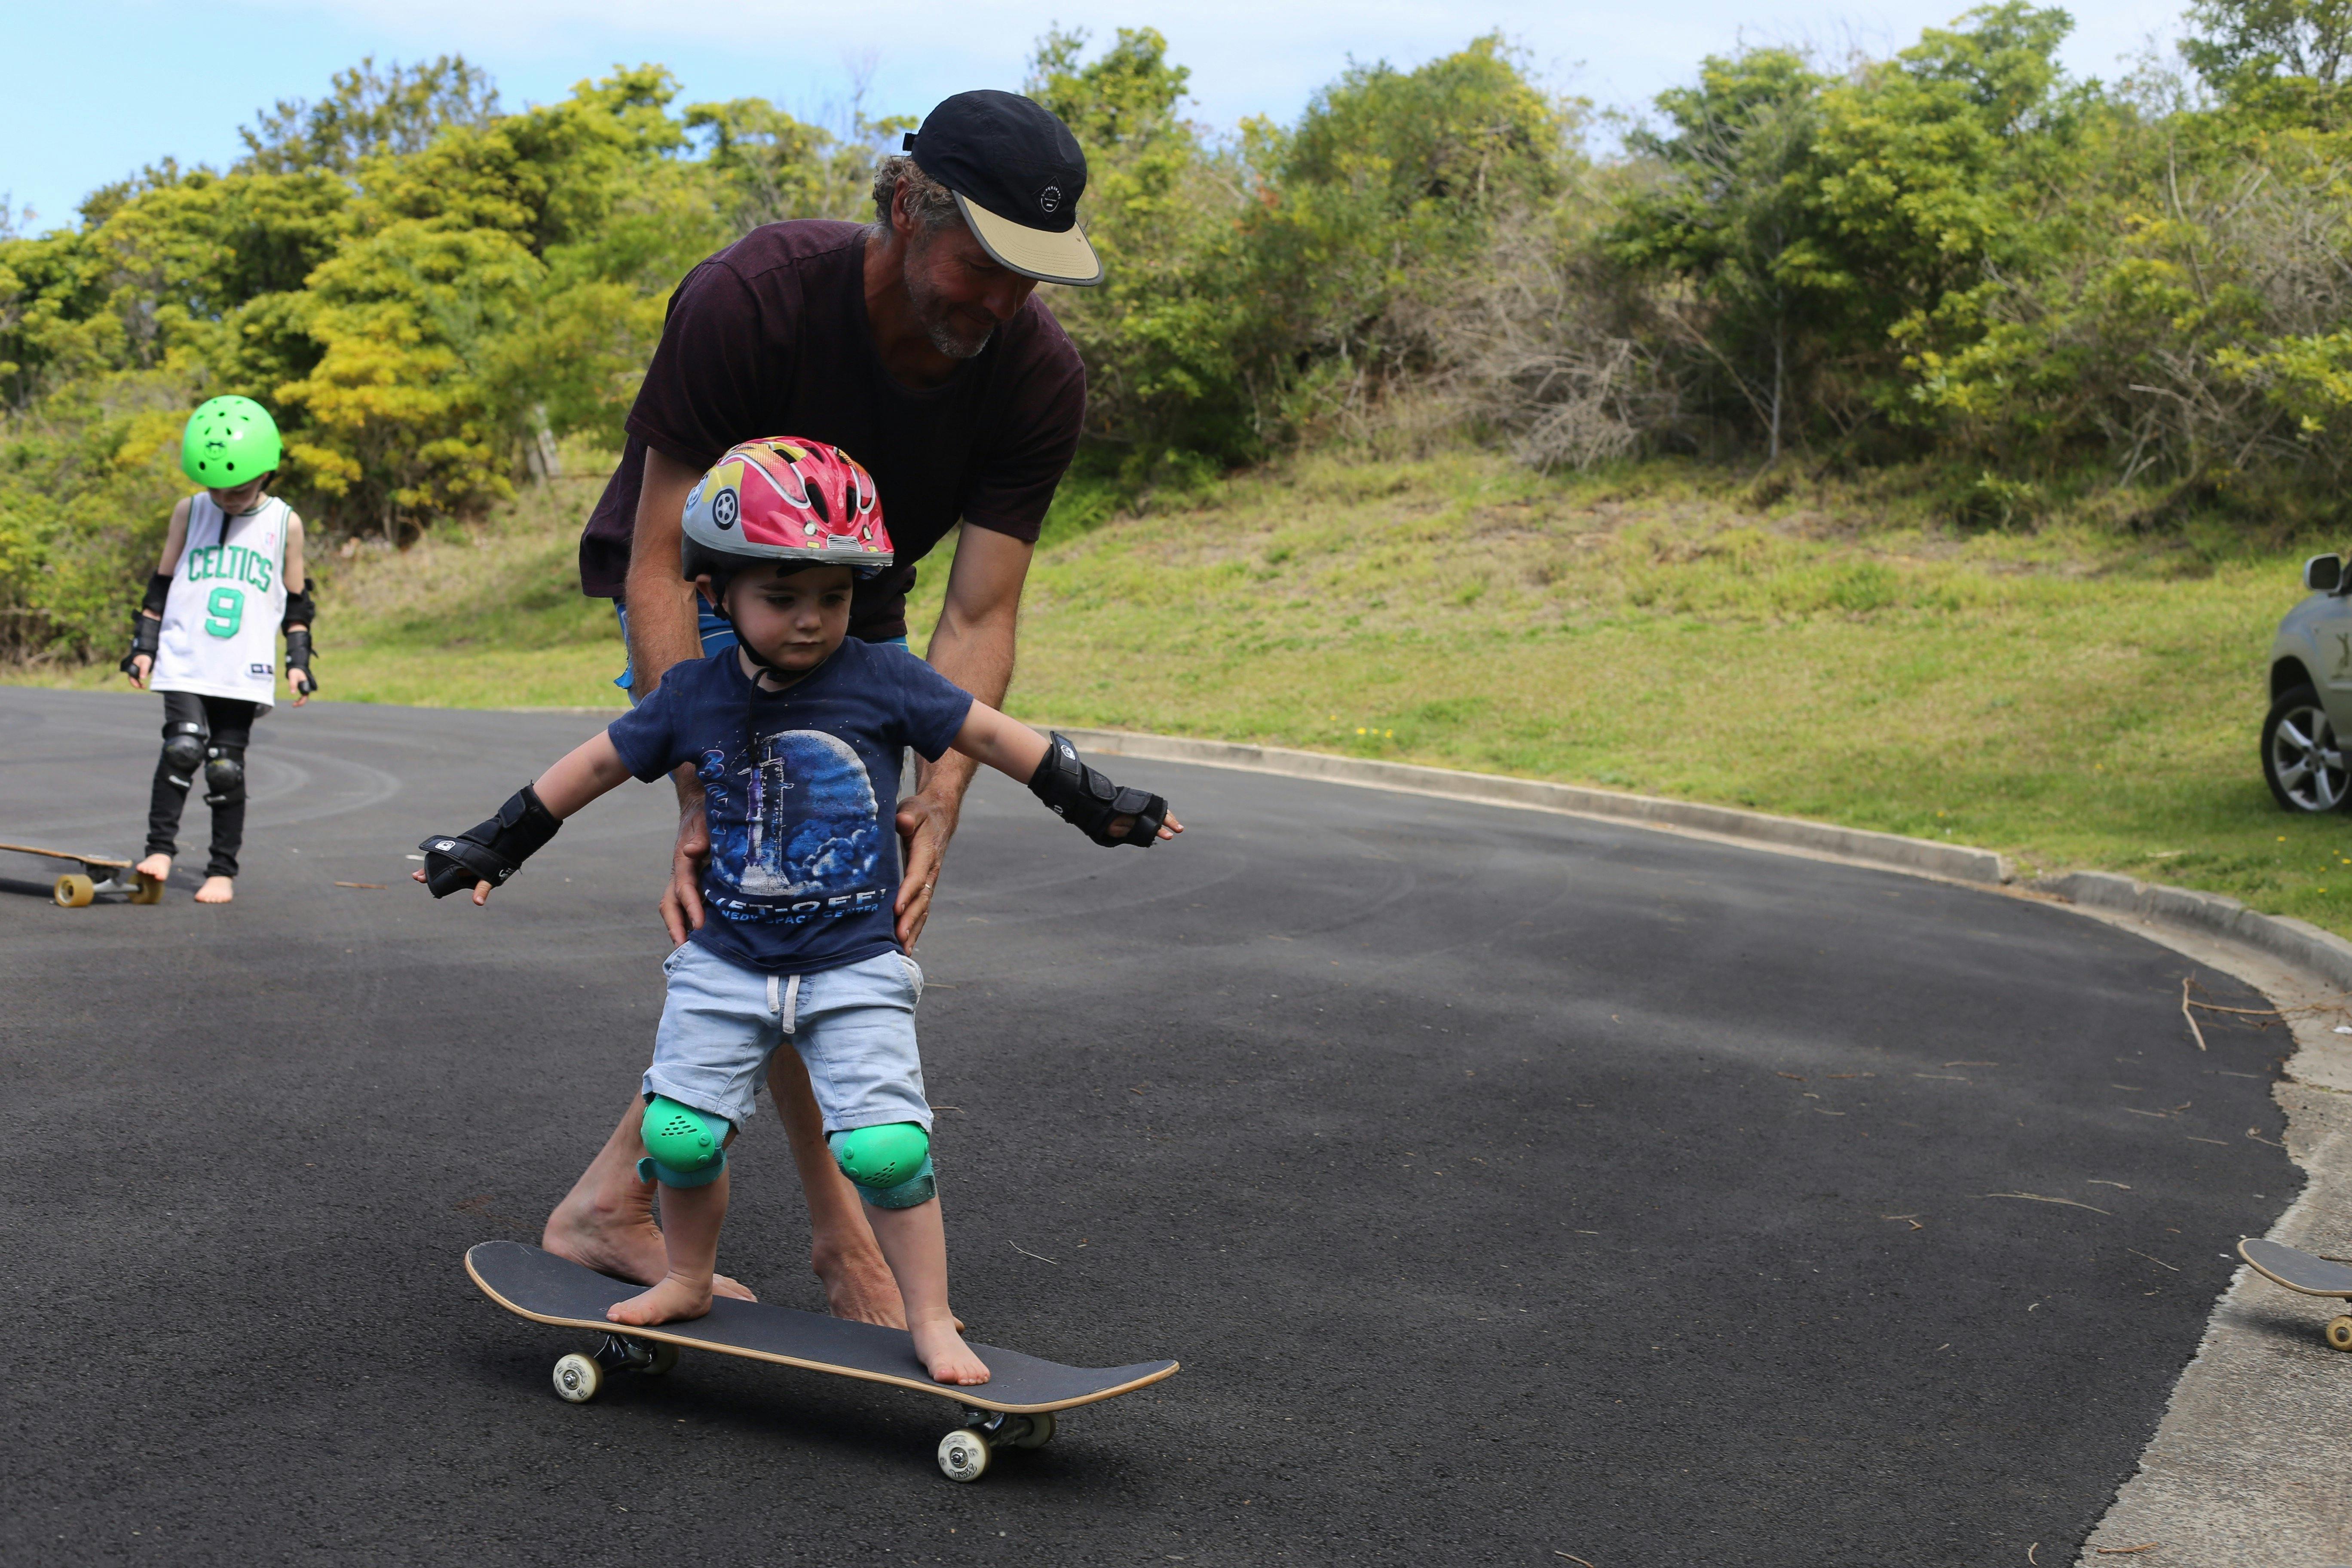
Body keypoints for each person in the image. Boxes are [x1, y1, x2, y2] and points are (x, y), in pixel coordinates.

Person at [420, 438, 1176, 1381]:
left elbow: (989, 732)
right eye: (782, 598)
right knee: (679, 1135)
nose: (813, 621)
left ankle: (932, 1319)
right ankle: (688, 1278)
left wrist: (1094, 799)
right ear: (717, 596)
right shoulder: (691, 694)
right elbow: (597, 765)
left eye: (834, 595)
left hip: (853, 967)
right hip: (726, 964)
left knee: (889, 1150)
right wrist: (498, 839)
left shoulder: (883, 679)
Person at [551, 88, 1104, 1321]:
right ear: (907, 210)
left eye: (1032, 277)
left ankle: (610, 1200)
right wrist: (699, 785)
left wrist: (941, 794)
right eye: (981, 265)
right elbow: (656, 560)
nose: (1003, 302)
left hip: (859, 605)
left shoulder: (1036, 375)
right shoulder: (751, 300)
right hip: (715, 584)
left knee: (848, 900)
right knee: (778, 880)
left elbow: (979, 616)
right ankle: (839, 1229)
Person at [122, 396, 318, 904]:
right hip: (184, 657)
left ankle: (222, 870)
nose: (226, 499)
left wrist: (298, 663)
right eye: (216, 489)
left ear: (267, 473)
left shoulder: (285, 524)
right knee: (182, 747)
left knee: (225, 767)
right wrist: (143, 648)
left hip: (242, 667)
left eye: (239, 490)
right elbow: (160, 585)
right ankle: (159, 848)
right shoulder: (189, 511)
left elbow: (297, 602)